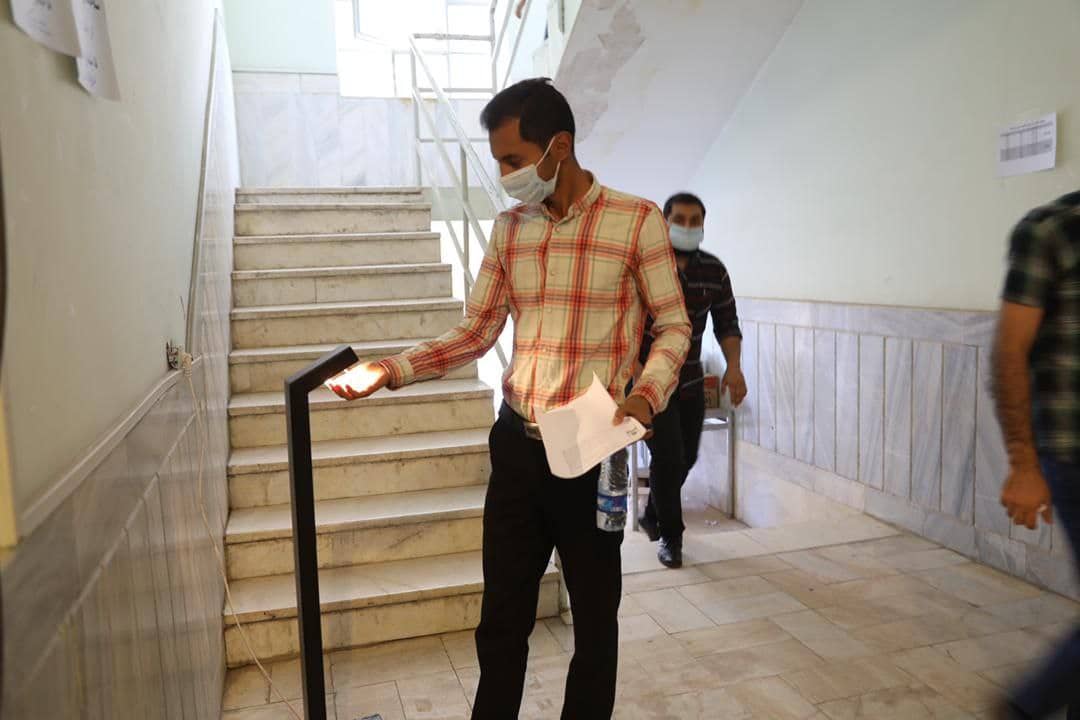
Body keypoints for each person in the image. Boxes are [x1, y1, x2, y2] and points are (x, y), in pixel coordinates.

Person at [326, 78, 690, 720]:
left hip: (595, 447)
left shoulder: (636, 221)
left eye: (514, 160)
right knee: (501, 619)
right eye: (498, 161)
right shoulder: (510, 229)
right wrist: (391, 369)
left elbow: (674, 325)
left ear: (559, 146)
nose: (504, 176)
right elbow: (476, 332)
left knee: (595, 620)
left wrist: (646, 396)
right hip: (518, 447)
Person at [992, 190, 1080, 719]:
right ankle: (1025, 708)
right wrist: (1024, 465)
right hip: (1072, 452)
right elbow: (1009, 352)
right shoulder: (1052, 230)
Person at [634, 192, 746, 568]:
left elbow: (727, 323)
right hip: (650, 383)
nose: (687, 226)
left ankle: (653, 512)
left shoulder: (713, 271)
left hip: (691, 381)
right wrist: (635, 380)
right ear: (664, 223)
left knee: (687, 458)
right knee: (668, 458)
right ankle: (672, 537)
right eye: (679, 219)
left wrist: (734, 367)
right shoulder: (643, 267)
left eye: (694, 220)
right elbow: (625, 328)